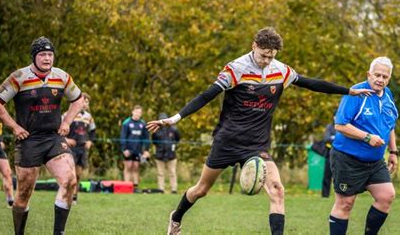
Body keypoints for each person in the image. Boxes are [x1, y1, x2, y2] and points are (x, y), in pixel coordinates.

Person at [147, 27, 373, 235]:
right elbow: (207, 95)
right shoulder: (236, 69)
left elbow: (311, 83)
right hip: (228, 140)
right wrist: (175, 118)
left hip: (256, 145)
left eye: (271, 56)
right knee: (201, 189)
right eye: (264, 54)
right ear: (254, 46)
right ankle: (176, 218)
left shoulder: (281, 71)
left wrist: (347, 91)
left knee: (277, 190)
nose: (267, 60)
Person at [0, 36, 84, 235]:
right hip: (28, 140)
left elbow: (78, 100)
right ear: (34, 57)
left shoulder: (62, 77)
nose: (47, 58)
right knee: (23, 194)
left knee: (70, 181)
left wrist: (66, 122)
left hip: (53, 138)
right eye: (43, 54)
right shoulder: (19, 77)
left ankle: (59, 233)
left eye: (50, 54)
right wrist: (14, 127)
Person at [328, 57, 398, 235]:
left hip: (375, 161)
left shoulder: (388, 95)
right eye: (377, 75)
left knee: (386, 196)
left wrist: (393, 151)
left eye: (385, 76)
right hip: (347, 159)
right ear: (369, 74)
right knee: (345, 203)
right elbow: (340, 125)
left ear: (389, 78)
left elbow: (389, 125)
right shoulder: (357, 93)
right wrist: (367, 137)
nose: (380, 80)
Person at [64, 92, 96, 204]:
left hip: (82, 148)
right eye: (83, 101)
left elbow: (93, 131)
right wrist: (66, 140)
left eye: (87, 102)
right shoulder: (68, 114)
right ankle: (65, 196)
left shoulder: (88, 117)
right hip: (70, 148)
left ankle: (74, 197)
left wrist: (90, 141)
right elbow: (58, 129)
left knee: (78, 174)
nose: (85, 104)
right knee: (69, 174)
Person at [120, 105, 150, 189]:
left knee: (136, 167)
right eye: (136, 112)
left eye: (139, 112)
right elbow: (123, 137)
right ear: (132, 112)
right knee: (128, 166)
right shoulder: (127, 123)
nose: (137, 114)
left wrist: (146, 150)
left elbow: (146, 138)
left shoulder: (143, 124)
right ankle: (126, 186)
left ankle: (135, 186)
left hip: (138, 150)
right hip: (128, 149)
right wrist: (124, 149)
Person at [151, 113, 180, 194]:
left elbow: (177, 139)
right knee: (160, 173)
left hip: (171, 155)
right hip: (159, 155)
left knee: (172, 172)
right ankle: (161, 189)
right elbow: (154, 141)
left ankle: (174, 189)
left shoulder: (174, 129)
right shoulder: (156, 131)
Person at [322, 112, 336, 198]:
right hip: (329, 154)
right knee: (327, 175)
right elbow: (326, 139)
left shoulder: (344, 126)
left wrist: (333, 137)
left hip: (341, 155)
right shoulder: (329, 127)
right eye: (335, 116)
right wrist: (336, 138)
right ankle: (325, 195)